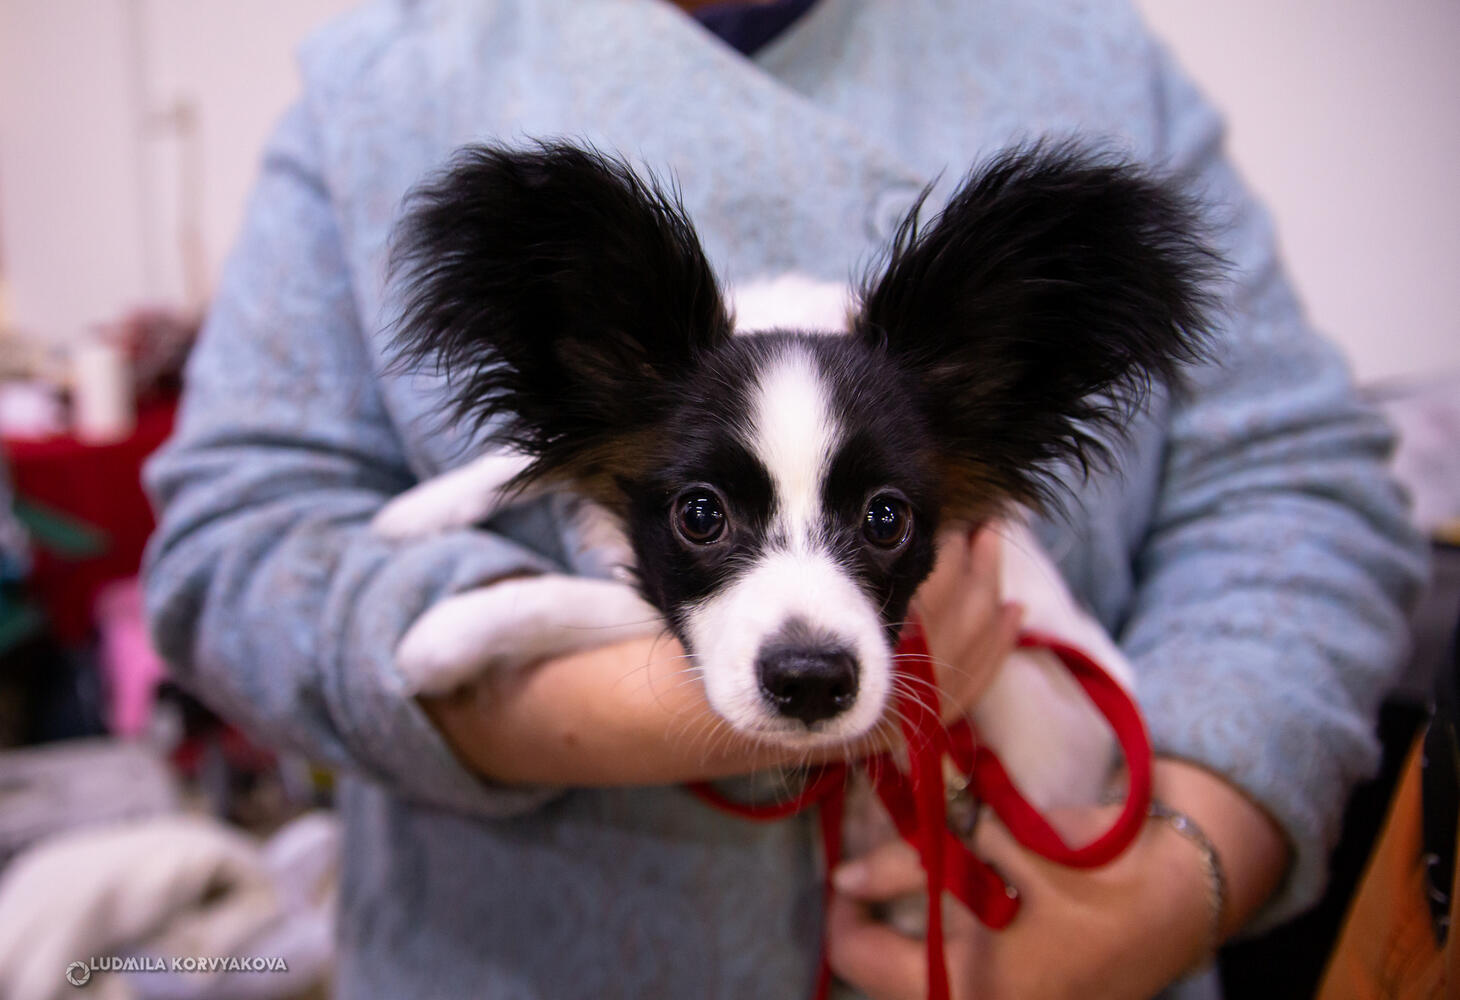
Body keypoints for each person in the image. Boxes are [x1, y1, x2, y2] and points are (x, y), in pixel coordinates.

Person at [141, 1, 1427, 997]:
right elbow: (233, 545)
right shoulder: (384, 77)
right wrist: (617, 709)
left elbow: (1296, 491)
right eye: (704, 516)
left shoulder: (1088, 53)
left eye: (886, 522)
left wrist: (1173, 887)